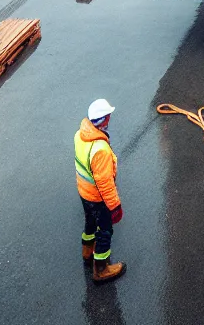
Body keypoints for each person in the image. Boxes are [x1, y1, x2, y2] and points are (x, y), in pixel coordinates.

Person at [75, 98, 125, 283]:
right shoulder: (100, 149)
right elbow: (105, 183)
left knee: (90, 223)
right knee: (105, 230)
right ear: (105, 119)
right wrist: (115, 207)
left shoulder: (79, 135)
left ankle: (87, 252)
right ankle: (101, 269)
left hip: (84, 193)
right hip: (97, 198)